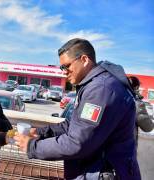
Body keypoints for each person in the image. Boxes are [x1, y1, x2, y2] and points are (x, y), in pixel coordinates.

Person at [14, 38, 141, 179]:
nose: (64, 72)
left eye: (66, 66)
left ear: (84, 59)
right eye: (61, 68)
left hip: (104, 172)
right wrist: (40, 132)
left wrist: (32, 146)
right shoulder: (94, 85)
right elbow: (75, 125)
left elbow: (77, 142)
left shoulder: (101, 89)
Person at [128, 76, 154, 147]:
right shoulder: (136, 103)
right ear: (136, 87)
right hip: (124, 148)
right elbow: (148, 127)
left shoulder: (114, 95)